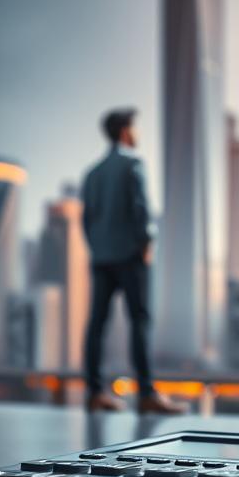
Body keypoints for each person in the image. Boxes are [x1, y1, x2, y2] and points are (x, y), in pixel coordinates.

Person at [80, 109, 186, 414]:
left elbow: (87, 220)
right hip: (129, 254)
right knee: (139, 320)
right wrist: (146, 241)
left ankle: (94, 392)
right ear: (126, 131)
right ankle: (147, 393)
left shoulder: (93, 173)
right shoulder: (133, 164)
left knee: (97, 324)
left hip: (101, 257)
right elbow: (141, 208)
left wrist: (98, 247)